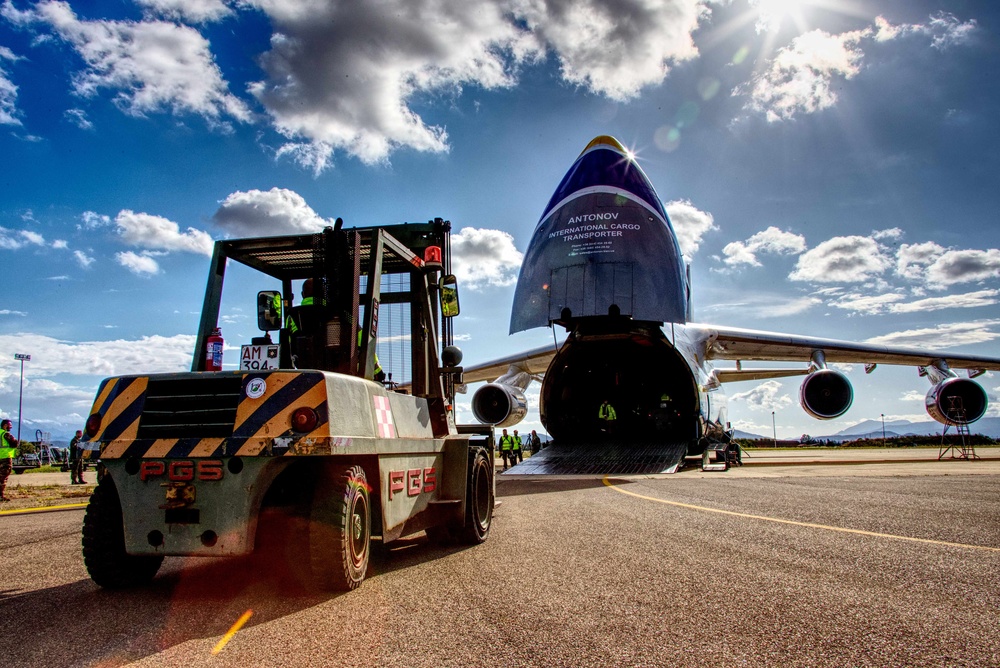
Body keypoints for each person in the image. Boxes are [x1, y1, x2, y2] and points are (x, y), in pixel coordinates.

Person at [0, 419, 19, 502]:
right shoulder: (5, 434)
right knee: (3, 477)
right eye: (9, 425)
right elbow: (14, 443)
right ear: (5, 425)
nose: (10, 427)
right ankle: (0, 496)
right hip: (5, 458)